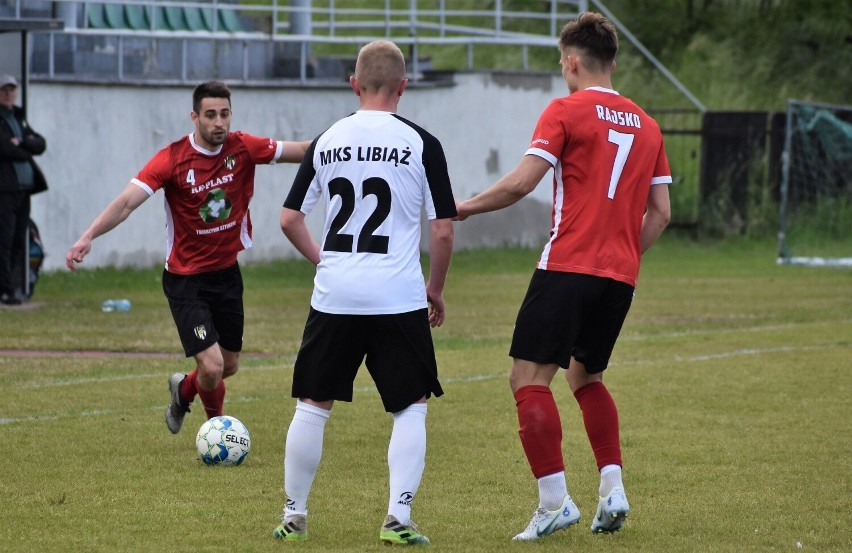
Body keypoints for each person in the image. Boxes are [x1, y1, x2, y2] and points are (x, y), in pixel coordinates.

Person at [455, 12, 671, 541]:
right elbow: (661, 213)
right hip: (620, 276)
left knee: (527, 379)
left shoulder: (565, 110)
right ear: (612, 62)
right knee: (585, 376)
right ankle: (613, 488)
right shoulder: (648, 124)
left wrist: (463, 207)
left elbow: (522, 184)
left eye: (561, 62)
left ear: (571, 62)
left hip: (567, 265)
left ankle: (554, 501)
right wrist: (624, 255)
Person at [272, 40, 456, 545]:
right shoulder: (423, 143)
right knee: (410, 405)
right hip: (398, 296)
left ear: (354, 84)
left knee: (312, 404)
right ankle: (398, 518)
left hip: (335, 295)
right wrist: (434, 291)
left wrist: (326, 260)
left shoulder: (326, 140)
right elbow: (442, 230)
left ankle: (294, 515)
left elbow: (289, 219)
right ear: (404, 86)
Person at [65, 80, 310, 436]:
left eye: (224, 114)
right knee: (210, 367)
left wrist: (350, 135)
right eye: (210, 115)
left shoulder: (243, 147)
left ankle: (183, 390)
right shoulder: (173, 158)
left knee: (228, 365)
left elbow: (303, 150)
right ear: (194, 116)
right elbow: (126, 202)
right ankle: (218, 434)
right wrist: (88, 236)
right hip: (185, 279)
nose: (219, 123)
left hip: (227, 273)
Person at [0, 75, 48, 306]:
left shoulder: (18, 116)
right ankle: (5, 290)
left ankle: (15, 286)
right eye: (3, 89)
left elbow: (40, 143)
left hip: (24, 190)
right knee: (5, 239)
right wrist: (24, 147)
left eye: (11, 89)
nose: (8, 93)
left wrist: (23, 143)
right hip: (5, 190)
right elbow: (5, 148)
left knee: (19, 239)